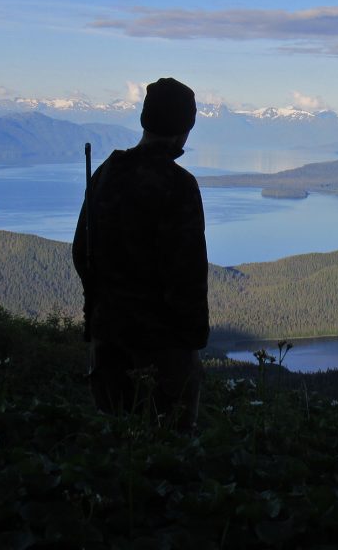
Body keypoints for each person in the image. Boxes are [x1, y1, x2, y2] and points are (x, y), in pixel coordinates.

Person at [72, 77, 208, 429]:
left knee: (114, 440)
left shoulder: (106, 173)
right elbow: (188, 275)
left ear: (145, 120)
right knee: (169, 444)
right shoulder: (179, 186)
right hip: (162, 348)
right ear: (184, 130)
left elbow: (81, 251)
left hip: (108, 338)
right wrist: (192, 344)